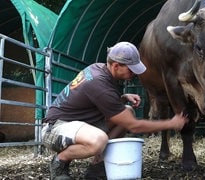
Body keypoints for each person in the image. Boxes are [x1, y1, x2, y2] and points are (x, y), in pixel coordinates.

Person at [41, 41, 188, 180]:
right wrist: (171, 123)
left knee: (128, 111)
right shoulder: (99, 83)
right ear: (116, 66)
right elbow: (134, 126)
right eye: (131, 69)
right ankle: (60, 162)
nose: (134, 74)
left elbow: (98, 102)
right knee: (98, 140)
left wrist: (123, 98)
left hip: (75, 124)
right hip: (54, 129)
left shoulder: (98, 68)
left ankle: (98, 165)